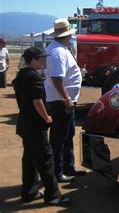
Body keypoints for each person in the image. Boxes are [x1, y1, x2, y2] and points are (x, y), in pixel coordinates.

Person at [13, 47, 71, 206]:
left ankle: (29, 192)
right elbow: (37, 101)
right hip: (36, 125)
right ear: (32, 60)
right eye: (41, 59)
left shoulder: (21, 76)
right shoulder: (34, 78)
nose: (43, 61)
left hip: (25, 124)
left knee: (30, 159)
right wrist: (46, 117)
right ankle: (53, 195)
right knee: (46, 160)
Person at [44, 18, 86, 183]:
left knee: (68, 134)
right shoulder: (59, 52)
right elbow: (56, 78)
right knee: (59, 137)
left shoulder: (57, 49)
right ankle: (57, 171)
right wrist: (67, 99)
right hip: (61, 101)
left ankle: (68, 167)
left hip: (63, 100)